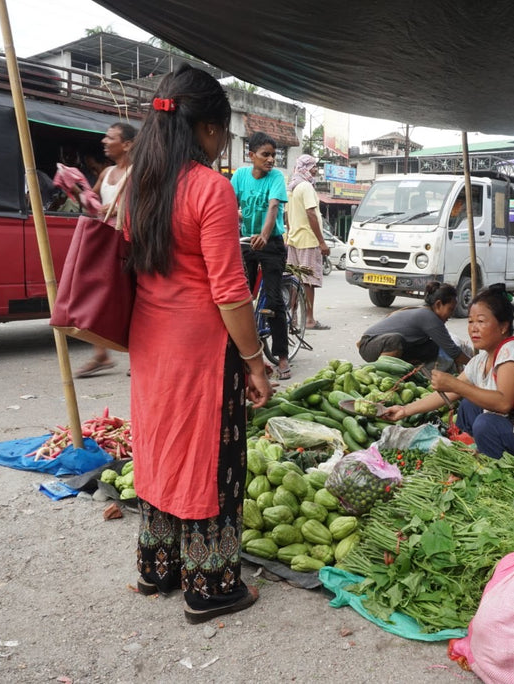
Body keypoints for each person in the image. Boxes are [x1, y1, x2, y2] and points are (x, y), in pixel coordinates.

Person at [123, 64, 271, 624]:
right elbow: (231, 294)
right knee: (212, 460)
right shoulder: (210, 188)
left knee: (161, 448)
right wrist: (256, 362)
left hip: (150, 343)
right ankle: (210, 588)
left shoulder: (141, 183)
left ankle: (157, 569)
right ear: (207, 128)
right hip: (202, 352)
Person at [383, 284, 514, 470]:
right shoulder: (480, 361)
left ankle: (501, 474)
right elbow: (447, 393)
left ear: (504, 326)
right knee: (469, 405)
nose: (473, 329)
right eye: (470, 322)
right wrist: (404, 410)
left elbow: (503, 402)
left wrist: (454, 384)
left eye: (481, 321)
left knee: (485, 424)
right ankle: (484, 453)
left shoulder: (512, 350)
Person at [75, 122, 137, 378]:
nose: (104, 141)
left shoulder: (137, 172)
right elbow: (93, 200)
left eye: (110, 137)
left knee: (132, 298)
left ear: (127, 144)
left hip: (128, 242)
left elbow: (139, 207)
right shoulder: (107, 172)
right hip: (106, 241)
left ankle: (138, 355)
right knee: (99, 294)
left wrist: (108, 208)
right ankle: (100, 352)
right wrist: (78, 191)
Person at [231, 132, 291, 379]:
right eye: (265, 154)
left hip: (271, 243)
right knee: (240, 297)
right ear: (251, 155)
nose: (271, 160)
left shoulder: (276, 177)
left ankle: (282, 356)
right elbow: (228, 203)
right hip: (246, 242)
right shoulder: (240, 175)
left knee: (274, 300)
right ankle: (243, 351)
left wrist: (265, 235)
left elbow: (273, 207)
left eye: (274, 155)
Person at [357, 282, 470, 372]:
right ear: (438, 304)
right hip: (369, 345)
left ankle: (408, 369)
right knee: (395, 340)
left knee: (432, 347)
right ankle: (383, 373)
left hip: (381, 343)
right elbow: (453, 352)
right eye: (450, 309)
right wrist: (476, 365)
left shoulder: (424, 311)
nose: (451, 315)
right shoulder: (428, 316)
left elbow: (447, 345)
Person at [285, 153, 330, 330]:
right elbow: (311, 213)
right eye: (314, 166)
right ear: (306, 168)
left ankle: (293, 317)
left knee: (294, 280)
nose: (316, 169)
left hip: (294, 240)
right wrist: (322, 242)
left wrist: (289, 236)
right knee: (308, 281)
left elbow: (288, 216)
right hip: (308, 240)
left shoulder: (291, 188)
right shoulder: (306, 187)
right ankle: (309, 319)